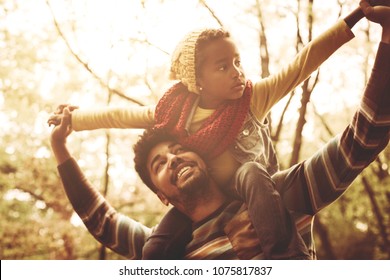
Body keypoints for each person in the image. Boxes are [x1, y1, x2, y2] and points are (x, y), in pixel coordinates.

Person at [49, 1, 389, 259]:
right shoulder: (167, 246)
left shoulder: (285, 196)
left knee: (255, 173)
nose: (174, 158)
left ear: (198, 154)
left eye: (178, 149)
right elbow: (102, 220)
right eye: (159, 164)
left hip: (258, 190)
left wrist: (363, 22)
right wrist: (68, 134)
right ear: (161, 196)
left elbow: (360, 136)